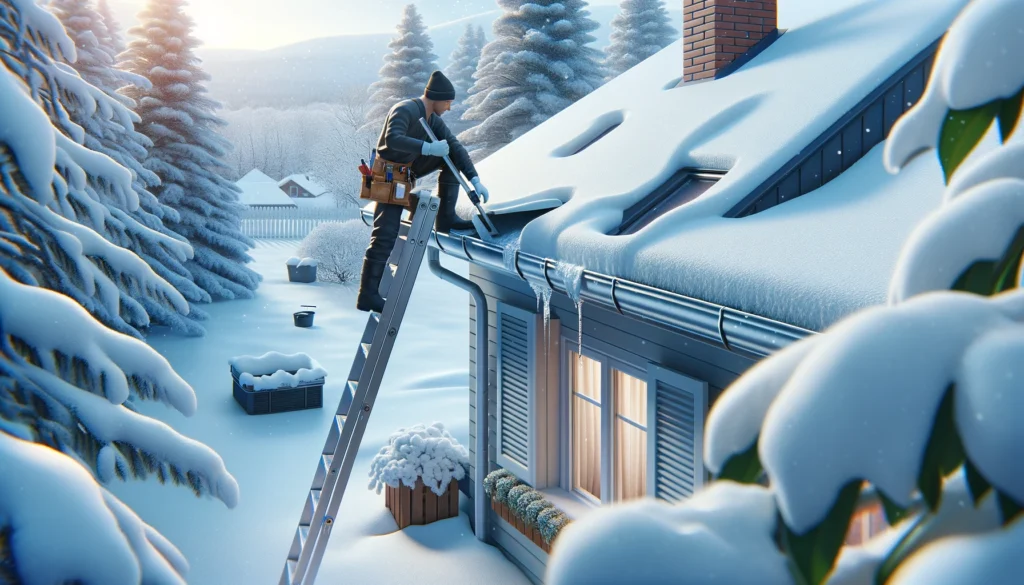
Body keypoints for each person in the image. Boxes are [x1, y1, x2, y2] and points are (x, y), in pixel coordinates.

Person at [356, 70, 490, 313]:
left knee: (449, 154)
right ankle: (367, 296)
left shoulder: (432, 119)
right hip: (389, 176)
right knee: (385, 234)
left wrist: (475, 179)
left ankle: (446, 219)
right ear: (437, 98)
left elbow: (455, 147)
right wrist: (427, 148)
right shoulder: (405, 110)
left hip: (408, 171)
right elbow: (392, 139)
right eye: (448, 102)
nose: (449, 108)